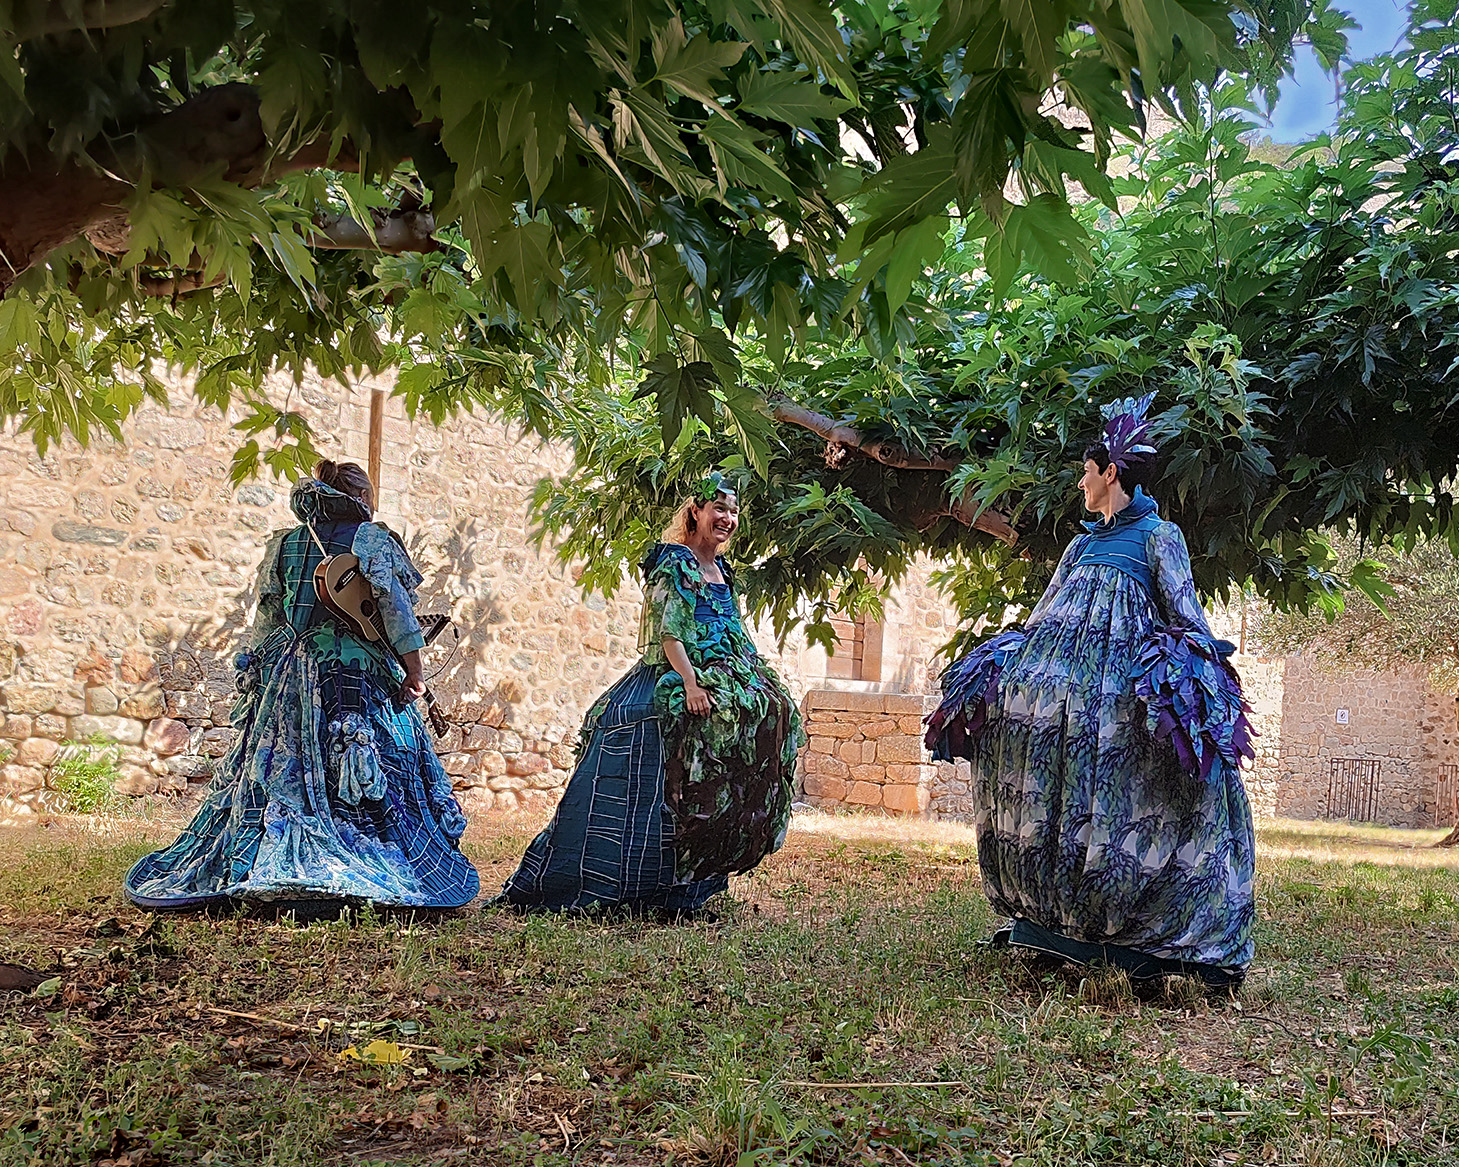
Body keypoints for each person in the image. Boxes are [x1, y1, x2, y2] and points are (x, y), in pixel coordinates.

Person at [925, 395, 1256, 987]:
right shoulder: (1080, 545)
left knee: (1119, 795)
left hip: (1119, 696)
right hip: (1065, 702)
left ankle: (1138, 927)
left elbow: (1186, 617)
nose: (1080, 482)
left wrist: (1193, 688)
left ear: (1110, 472)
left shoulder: (1159, 538)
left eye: (1086, 471)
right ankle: (1054, 919)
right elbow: (1041, 617)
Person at [125, 461, 479, 912]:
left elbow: (268, 618)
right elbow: (396, 612)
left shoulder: (286, 544)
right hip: (354, 675)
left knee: (279, 763)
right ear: (361, 498)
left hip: (290, 673)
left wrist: (258, 670)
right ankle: (359, 855)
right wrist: (414, 671)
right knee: (366, 763)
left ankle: (262, 850)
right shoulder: (371, 540)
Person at [498, 473, 804, 917]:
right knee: (655, 778)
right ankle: (608, 884)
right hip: (677, 672)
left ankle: (689, 888)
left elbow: (732, 630)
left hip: (726, 668)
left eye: (734, 511)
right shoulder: (674, 563)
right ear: (696, 511)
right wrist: (691, 682)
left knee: (768, 719)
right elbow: (669, 632)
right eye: (719, 508)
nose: (727, 518)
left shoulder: (724, 571)